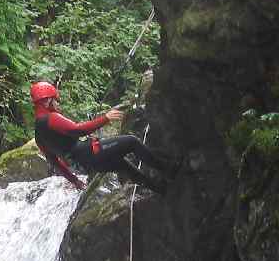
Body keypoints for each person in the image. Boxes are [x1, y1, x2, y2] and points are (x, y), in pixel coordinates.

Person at [30, 81, 174, 192]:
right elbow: (77, 130)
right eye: (55, 100)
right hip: (90, 153)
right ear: (46, 101)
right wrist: (105, 118)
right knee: (131, 141)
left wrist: (75, 181)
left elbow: (55, 162)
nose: (57, 103)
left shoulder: (38, 135)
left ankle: (160, 190)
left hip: (87, 165)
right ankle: (168, 169)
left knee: (122, 165)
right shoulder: (51, 118)